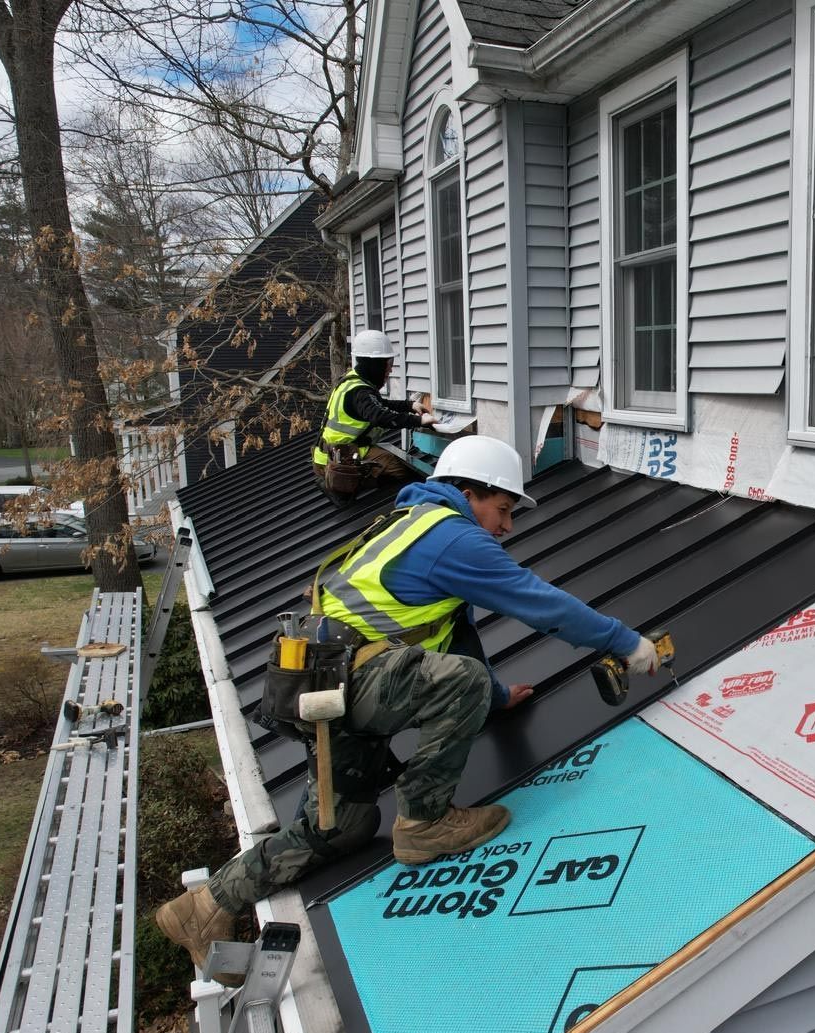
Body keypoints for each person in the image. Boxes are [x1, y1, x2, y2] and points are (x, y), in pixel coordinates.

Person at [156, 435, 661, 983]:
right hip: (354, 680)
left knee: (341, 828)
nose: (507, 527)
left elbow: (455, 634)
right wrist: (625, 643)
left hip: (324, 692)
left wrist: (492, 697)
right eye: (503, 509)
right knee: (461, 682)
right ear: (470, 493)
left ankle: (202, 909)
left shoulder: (404, 524)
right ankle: (424, 821)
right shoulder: (453, 538)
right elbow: (540, 603)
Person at [312, 328, 436, 492]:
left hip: (326, 455)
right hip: (338, 462)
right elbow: (379, 416)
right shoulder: (360, 392)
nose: (390, 370)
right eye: (388, 364)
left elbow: (378, 403)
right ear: (374, 364)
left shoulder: (352, 381)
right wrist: (419, 421)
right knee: (401, 470)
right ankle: (349, 487)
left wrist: (410, 406)